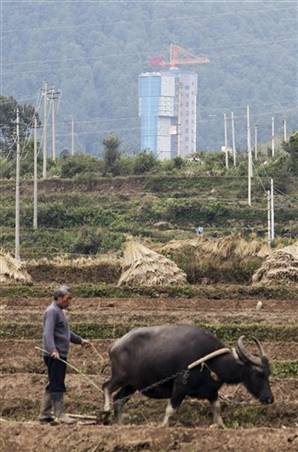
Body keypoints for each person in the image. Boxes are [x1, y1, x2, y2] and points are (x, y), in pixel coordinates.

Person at [39, 285, 90, 424]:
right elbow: (47, 333)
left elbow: (65, 333)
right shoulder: (52, 311)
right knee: (57, 384)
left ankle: (44, 414)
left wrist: (80, 340)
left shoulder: (59, 311)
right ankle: (60, 415)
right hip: (55, 354)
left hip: (58, 353)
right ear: (60, 298)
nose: (69, 302)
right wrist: (53, 350)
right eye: (68, 299)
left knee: (53, 383)